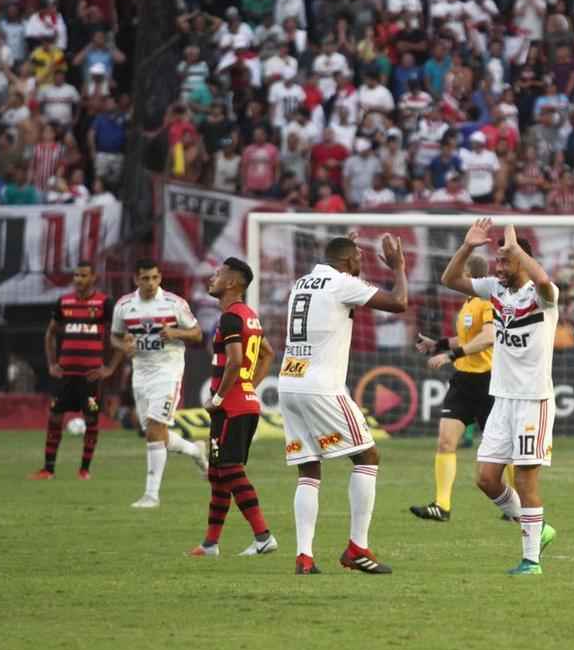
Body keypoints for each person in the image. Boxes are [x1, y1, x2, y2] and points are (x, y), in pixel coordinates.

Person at [280, 234, 408, 575]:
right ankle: (357, 548)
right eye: (359, 260)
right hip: (321, 386)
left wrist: (347, 254)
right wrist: (397, 267)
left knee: (309, 467)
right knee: (367, 456)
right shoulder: (342, 283)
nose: (361, 265)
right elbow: (399, 302)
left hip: (289, 381)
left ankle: (304, 557)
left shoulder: (302, 282)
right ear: (349, 262)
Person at [440, 218, 559, 576]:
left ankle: (531, 560)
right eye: (498, 262)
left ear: (522, 260)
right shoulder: (496, 289)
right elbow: (449, 281)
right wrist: (467, 248)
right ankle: (540, 528)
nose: (499, 267)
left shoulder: (543, 296)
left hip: (533, 399)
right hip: (503, 398)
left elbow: (542, 282)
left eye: (505, 261)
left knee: (525, 479)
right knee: (486, 478)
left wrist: (517, 250)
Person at [97, 259, 207, 508]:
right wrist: (123, 345)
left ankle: (151, 495)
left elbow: (198, 333)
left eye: (155, 278)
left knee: (156, 429)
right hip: (141, 373)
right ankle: (195, 451)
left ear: (160, 279)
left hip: (168, 371)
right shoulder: (124, 306)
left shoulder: (174, 303)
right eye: (145, 278)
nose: (150, 283)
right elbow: (114, 337)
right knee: (155, 433)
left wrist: (177, 333)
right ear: (136, 279)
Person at [188, 258, 279, 558]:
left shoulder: (229, 318)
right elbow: (268, 354)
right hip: (244, 403)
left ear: (231, 283)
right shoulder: (248, 316)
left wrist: (219, 398)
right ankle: (210, 544)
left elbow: (237, 360)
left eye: (218, 274)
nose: (212, 278)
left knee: (230, 470)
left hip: (231, 408)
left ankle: (263, 536)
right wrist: (248, 385)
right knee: (219, 475)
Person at [409, 255, 499, 522]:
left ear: (471, 277)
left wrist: (451, 355)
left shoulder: (487, 301)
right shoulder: (469, 303)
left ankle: (517, 505)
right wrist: (437, 345)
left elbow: (488, 337)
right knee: (446, 441)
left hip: (488, 382)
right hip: (464, 381)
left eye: (461, 272)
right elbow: (467, 338)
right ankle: (442, 505)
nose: (455, 276)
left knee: (501, 450)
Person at [29, 261, 113, 481]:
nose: (78, 279)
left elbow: (118, 337)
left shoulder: (104, 303)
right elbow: (50, 334)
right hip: (65, 376)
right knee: (55, 417)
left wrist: (109, 368)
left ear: (93, 277)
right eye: (76, 275)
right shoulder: (63, 302)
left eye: (84, 275)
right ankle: (48, 469)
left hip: (91, 377)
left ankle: (84, 470)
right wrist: (51, 364)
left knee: (91, 420)